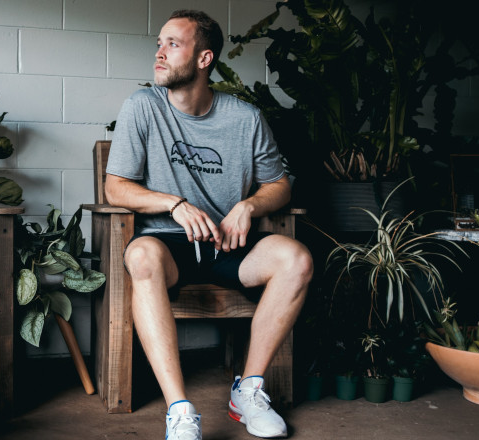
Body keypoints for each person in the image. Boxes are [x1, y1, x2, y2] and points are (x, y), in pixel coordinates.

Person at [104, 9, 313, 440]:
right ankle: (180, 411)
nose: (159, 54)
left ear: (204, 59)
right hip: (168, 247)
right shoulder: (142, 106)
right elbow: (116, 189)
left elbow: (280, 185)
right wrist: (174, 203)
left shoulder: (245, 118)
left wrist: (249, 207)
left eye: (172, 44)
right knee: (140, 255)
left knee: (296, 259)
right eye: (159, 45)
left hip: (230, 246)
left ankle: (248, 392)